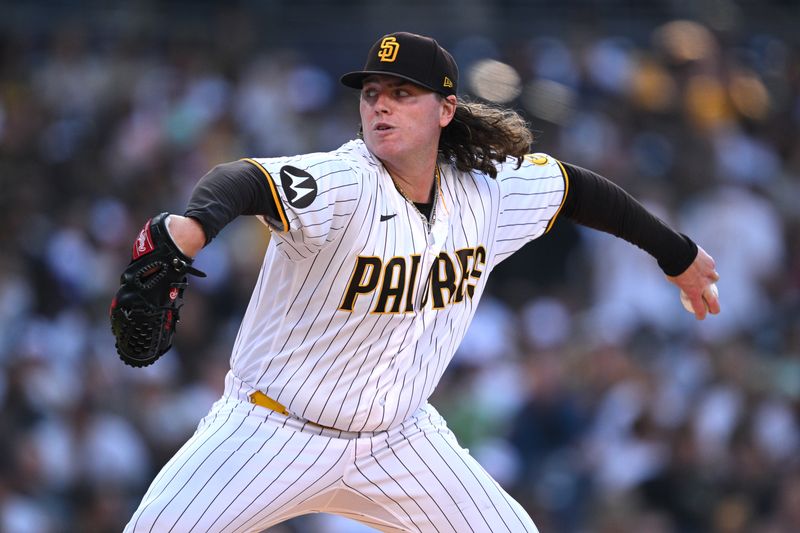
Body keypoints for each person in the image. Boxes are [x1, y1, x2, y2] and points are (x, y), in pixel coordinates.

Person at [122, 32, 720, 532]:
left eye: (402, 94)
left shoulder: (487, 188)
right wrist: (191, 228)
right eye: (372, 94)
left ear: (446, 110)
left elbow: (580, 190)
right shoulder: (345, 181)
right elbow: (242, 179)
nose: (379, 105)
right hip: (271, 429)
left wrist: (678, 254)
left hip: (400, 442)